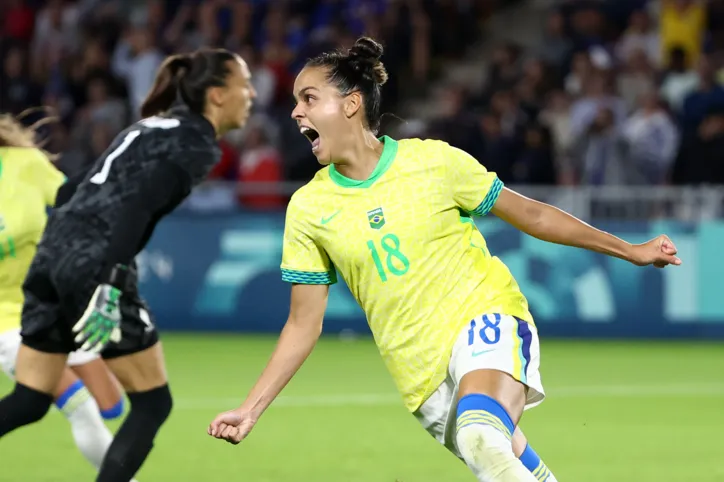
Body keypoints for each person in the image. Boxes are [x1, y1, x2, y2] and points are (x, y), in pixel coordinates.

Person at [208, 37, 681, 482]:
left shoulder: (433, 162)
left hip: (484, 317)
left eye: (308, 99)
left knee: (480, 431)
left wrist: (629, 250)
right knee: (502, 456)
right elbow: (302, 324)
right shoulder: (309, 209)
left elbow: (531, 214)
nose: (295, 112)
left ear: (351, 103)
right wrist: (250, 408)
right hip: (422, 379)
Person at [0, 47, 255, 482]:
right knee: (154, 403)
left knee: (30, 397)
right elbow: (137, 205)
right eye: (243, 84)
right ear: (216, 96)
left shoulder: (149, 126)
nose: (251, 94)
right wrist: (110, 281)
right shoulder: (194, 142)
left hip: (51, 255)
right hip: (94, 263)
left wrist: (65, 258)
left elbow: (67, 195)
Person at [0, 113, 133, 478]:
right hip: (5, 324)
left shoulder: (23, 163)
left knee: (111, 403)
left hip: (50, 303)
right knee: (81, 406)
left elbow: (75, 199)